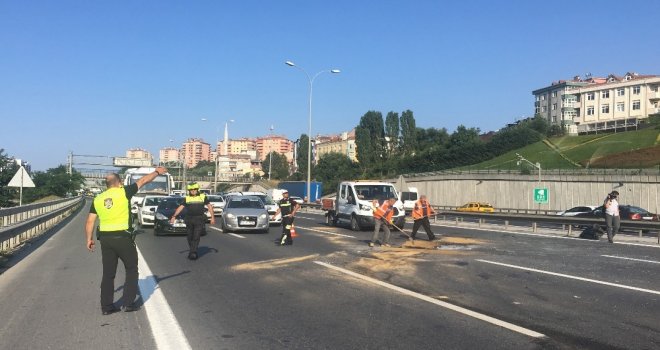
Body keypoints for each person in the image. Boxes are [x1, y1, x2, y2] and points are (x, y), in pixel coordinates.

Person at [85, 166, 168, 315]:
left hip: (106, 239)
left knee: (108, 274)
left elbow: (90, 221)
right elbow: (143, 181)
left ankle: (106, 307)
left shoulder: (98, 199)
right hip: (123, 238)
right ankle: (128, 303)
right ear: (119, 182)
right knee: (131, 269)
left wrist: (89, 239)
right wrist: (157, 172)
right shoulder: (124, 192)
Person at [170, 183, 215, 260]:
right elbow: (180, 208)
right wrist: (174, 216)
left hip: (199, 219)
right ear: (189, 191)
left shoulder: (203, 197)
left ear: (197, 190)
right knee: (189, 236)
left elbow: (209, 206)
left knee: (196, 236)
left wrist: (212, 217)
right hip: (189, 219)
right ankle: (192, 250)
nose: (193, 191)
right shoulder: (187, 198)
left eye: (194, 190)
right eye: (191, 190)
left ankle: (193, 253)